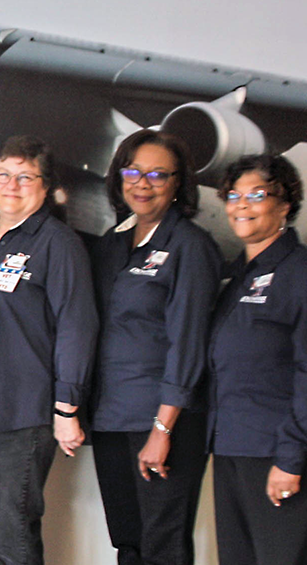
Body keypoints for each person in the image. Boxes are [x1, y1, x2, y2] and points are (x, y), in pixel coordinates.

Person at [0, 135, 97, 565]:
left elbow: (77, 325)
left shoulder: (58, 243)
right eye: (3, 174)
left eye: (24, 177)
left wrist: (67, 408)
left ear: (45, 186)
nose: (11, 185)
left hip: (22, 414)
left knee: (15, 532)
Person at [209, 154, 307, 565]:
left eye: (256, 195)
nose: (242, 204)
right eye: (233, 196)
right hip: (236, 447)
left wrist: (291, 457)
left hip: (286, 451)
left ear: (285, 203)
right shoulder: (239, 276)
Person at [90, 130, 221, 565]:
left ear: (179, 183)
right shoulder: (112, 243)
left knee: (163, 544)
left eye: (157, 174)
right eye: (133, 171)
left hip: (165, 423)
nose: (142, 183)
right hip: (112, 416)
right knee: (128, 540)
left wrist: (162, 430)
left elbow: (189, 343)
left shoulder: (191, 246)